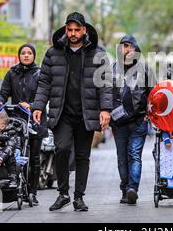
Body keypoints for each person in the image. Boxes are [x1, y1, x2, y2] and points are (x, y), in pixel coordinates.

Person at [32, 12, 113, 212]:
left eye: (77, 29)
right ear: (65, 29)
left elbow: (105, 85)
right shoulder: (53, 53)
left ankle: (78, 197)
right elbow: (44, 83)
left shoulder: (98, 54)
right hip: (62, 113)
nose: (73, 33)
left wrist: (105, 109)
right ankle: (63, 194)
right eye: (70, 29)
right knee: (62, 149)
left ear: (84, 30)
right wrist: (38, 106)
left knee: (83, 156)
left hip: (86, 113)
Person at [0, 43, 47, 205]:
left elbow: (44, 94)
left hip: (36, 119)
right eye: (23, 53)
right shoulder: (11, 73)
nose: (27, 55)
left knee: (34, 158)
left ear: (34, 56)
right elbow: (4, 92)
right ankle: (17, 188)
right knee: (17, 155)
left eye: (30, 53)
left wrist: (33, 104)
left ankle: (33, 192)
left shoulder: (40, 73)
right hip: (16, 121)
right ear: (19, 55)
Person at [111, 35, 154, 205]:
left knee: (134, 155)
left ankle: (132, 189)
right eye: (124, 46)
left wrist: (147, 115)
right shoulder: (112, 70)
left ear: (136, 50)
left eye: (131, 47)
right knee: (122, 158)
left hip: (138, 120)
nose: (127, 50)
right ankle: (124, 190)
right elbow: (106, 94)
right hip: (118, 122)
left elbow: (154, 95)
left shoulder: (145, 70)